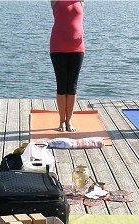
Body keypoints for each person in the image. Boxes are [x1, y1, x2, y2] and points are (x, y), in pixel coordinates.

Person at [50, 0, 85, 132]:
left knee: (72, 86)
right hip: (58, 46)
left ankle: (69, 121)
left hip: (77, 47)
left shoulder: (80, 1)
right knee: (61, 84)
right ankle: (61, 122)